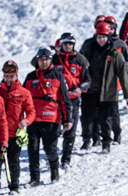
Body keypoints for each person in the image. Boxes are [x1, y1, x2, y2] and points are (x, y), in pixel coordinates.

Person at [23, 48, 73, 186]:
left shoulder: (58, 76)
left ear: (50, 60)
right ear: (37, 60)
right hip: (32, 120)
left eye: (46, 60)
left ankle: (54, 168)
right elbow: (22, 99)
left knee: (50, 149)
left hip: (51, 120)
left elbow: (65, 99)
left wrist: (68, 119)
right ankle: (35, 178)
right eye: (41, 60)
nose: (43, 62)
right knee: (32, 150)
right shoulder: (30, 77)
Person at [81, 22, 128, 151]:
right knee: (87, 117)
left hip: (108, 91)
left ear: (108, 36)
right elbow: (78, 64)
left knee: (105, 119)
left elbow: (123, 75)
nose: (101, 39)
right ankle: (87, 140)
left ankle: (106, 143)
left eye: (103, 36)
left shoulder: (115, 53)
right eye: (99, 36)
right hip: (90, 90)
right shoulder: (89, 48)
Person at [0, 61, 36, 194]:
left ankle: (14, 186)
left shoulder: (24, 92)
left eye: (11, 76)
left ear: (17, 75)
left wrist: (26, 121)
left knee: (13, 161)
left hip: (15, 133)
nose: (8, 78)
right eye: (6, 76)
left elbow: (31, 112)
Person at [53, 33, 91, 169]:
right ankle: (52, 157)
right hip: (56, 101)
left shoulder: (80, 61)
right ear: (61, 44)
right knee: (54, 129)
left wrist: (80, 89)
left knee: (71, 129)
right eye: (65, 43)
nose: (68, 46)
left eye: (70, 43)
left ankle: (66, 159)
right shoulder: (54, 60)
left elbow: (88, 80)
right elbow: (37, 66)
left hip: (73, 100)